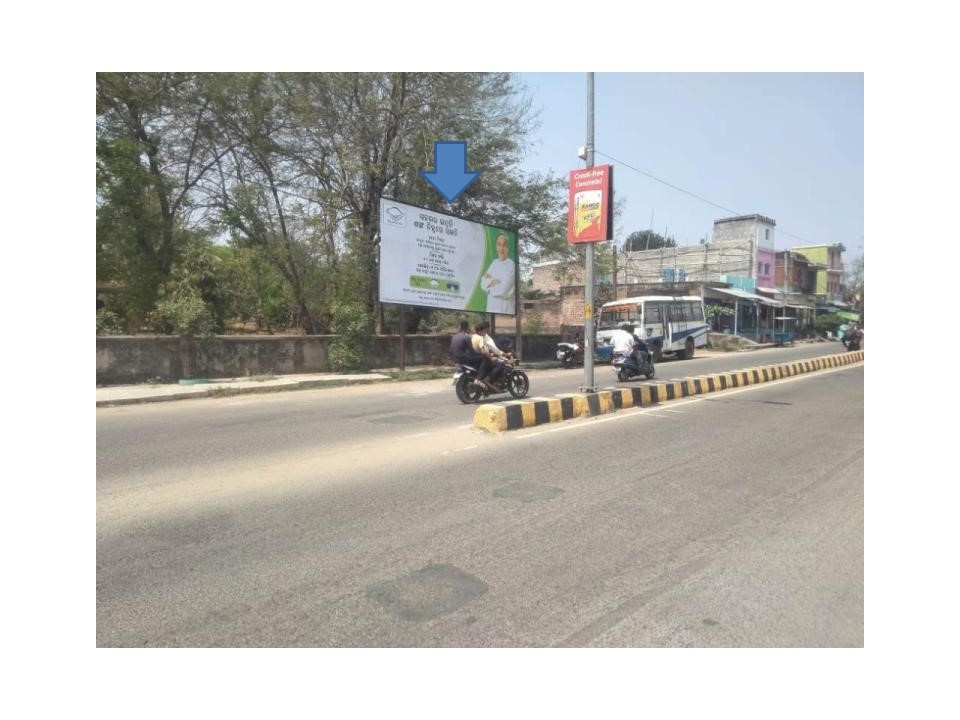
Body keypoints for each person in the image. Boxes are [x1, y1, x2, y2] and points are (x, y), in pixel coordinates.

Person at [481, 233, 516, 314]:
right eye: (499, 245)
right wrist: (495, 282)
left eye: (504, 245)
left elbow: (503, 290)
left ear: (508, 247)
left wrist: (489, 284)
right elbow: (482, 282)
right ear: (496, 246)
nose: (501, 248)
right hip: (491, 308)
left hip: (505, 310)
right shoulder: (494, 263)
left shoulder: (512, 266)